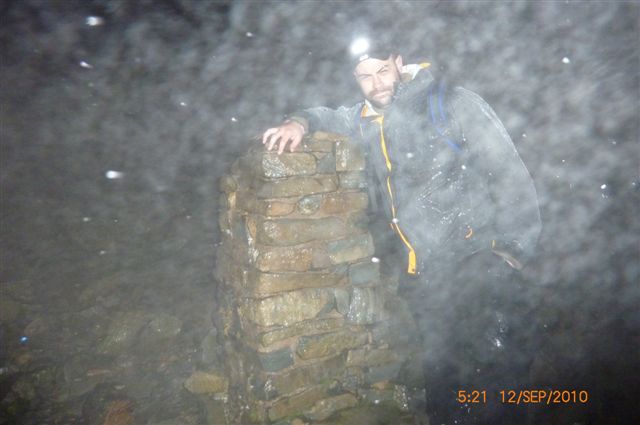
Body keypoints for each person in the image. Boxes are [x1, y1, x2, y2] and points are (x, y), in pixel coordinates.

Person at [262, 38, 541, 424]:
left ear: (398, 62)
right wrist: (299, 121)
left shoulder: (451, 103)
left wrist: (512, 248)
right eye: (364, 76)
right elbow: (329, 115)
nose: (377, 84)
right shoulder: (363, 120)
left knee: (495, 382)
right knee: (444, 381)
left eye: (382, 70)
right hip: (427, 274)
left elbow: (509, 172)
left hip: (479, 260)